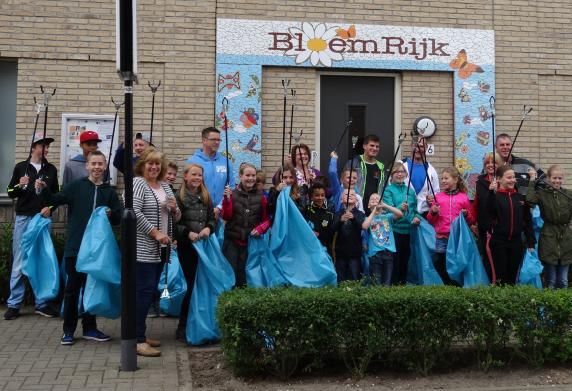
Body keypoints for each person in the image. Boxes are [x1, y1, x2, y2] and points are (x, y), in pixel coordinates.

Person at [38, 151, 122, 345]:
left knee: (92, 288)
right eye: (93, 163)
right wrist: (43, 189)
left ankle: (90, 328)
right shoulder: (76, 186)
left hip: (97, 252)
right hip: (75, 247)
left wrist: (111, 214)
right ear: (87, 166)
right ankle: (68, 330)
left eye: (101, 164)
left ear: (105, 166)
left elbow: (118, 217)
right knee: (72, 290)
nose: (97, 167)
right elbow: (55, 199)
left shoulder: (109, 192)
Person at [4, 134, 59, 321]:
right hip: (23, 219)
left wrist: (48, 204)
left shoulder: (51, 169)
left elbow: (56, 196)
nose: (46, 150)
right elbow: (10, 192)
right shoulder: (21, 167)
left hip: (42, 220)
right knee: (19, 260)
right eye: (43, 146)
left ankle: (42, 303)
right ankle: (14, 304)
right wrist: (20, 185)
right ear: (34, 147)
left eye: (48, 147)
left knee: (42, 260)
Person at [133, 148, 181, 357]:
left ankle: (141, 333)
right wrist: (155, 233)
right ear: (142, 165)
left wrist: (174, 209)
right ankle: (137, 339)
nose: (154, 167)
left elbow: (176, 216)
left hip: (162, 248)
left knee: (150, 290)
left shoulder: (165, 186)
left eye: (157, 164)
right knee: (143, 292)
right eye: (150, 163)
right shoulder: (138, 184)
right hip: (144, 247)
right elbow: (133, 212)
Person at [175, 163, 217, 341]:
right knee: (190, 286)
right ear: (185, 176)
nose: (197, 178)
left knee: (203, 286)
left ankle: (203, 323)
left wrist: (209, 228)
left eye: (200, 175)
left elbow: (212, 219)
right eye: (194, 175)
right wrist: (187, 233)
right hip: (187, 248)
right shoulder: (179, 197)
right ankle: (183, 326)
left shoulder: (206, 196)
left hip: (204, 247)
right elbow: (174, 224)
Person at [222, 163, 271, 288]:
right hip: (232, 242)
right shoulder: (232, 194)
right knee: (231, 275)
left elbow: (267, 220)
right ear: (240, 176)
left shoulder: (262, 196)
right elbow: (226, 216)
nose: (251, 178)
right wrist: (227, 200)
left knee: (246, 277)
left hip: (251, 244)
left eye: (253, 175)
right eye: (247, 175)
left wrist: (261, 229)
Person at [487, 165, 535, 285]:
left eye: (513, 177)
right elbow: (488, 214)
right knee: (500, 278)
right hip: (499, 243)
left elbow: (527, 220)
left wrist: (530, 241)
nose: (513, 180)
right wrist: (490, 193)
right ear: (499, 179)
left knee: (512, 278)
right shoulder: (495, 197)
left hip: (516, 243)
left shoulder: (520, 198)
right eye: (509, 177)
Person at [526, 165, 572, 289]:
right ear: (548, 178)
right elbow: (529, 200)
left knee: (563, 280)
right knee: (551, 280)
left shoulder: (568, 194)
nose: (557, 181)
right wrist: (532, 181)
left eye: (559, 178)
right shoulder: (542, 194)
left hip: (566, 239)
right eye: (554, 178)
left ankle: (563, 307)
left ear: (563, 179)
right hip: (549, 237)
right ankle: (550, 306)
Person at [427, 167, 475, 285]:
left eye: (446, 178)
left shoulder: (463, 198)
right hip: (442, 237)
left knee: (456, 263)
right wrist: (433, 211)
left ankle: (456, 285)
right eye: (442, 178)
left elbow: (472, 219)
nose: (443, 181)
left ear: (455, 180)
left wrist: (466, 214)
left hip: (457, 238)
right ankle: (446, 284)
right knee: (440, 261)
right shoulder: (438, 197)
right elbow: (430, 220)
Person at [382, 162, 421, 284]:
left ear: (406, 174)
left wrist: (416, 217)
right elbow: (388, 210)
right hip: (394, 231)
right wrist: (400, 207)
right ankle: (393, 287)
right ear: (391, 175)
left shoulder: (410, 191)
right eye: (396, 172)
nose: (400, 174)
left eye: (402, 171)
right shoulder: (388, 190)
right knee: (395, 261)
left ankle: (402, 286)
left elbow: (415, 210)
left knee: (405, 260)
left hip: (408, 231)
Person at [187, 127, 235, 220]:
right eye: (213, 139)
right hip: (199, 213)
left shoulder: (226, 161)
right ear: (204, 140)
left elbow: (231, 186)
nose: (217, 142)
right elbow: (189, 188)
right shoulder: (193, 161)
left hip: (221, 214)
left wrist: (219, 208)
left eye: (219, 140)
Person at [473, 152, 504, 279]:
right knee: (486, 255)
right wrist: (474, 222)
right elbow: (477, 203)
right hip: (484, 226)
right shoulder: (480, 182)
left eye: (494, 163)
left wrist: (498, 190)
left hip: (500, 225)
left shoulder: (503, 180)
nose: (490, 165)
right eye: (487, 163)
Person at [362, 193, 403, 286]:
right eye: (372, 200)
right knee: (377, 283)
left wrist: (385, 205)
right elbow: (364, 226)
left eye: (378, 199)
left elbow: (400, 214)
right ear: (368, 205)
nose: (375, 200)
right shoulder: (367, 218)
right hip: (375, 254)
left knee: (387, 283)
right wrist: (374, 211)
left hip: (388, 253)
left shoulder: (387, 217)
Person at [398, 136, 440, 216]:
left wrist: (432, 200)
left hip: (424, 215)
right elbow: (390, 187)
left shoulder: (431, 171)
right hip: (402, 214)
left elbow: (436, 194)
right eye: (415, 145)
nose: (418, 149)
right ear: (411, 146)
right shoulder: (400, 165)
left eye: (421, 146)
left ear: (426, 147)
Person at [343, 134, 385, 213]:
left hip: (374, 209)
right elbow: (344, 184)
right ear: (364, 146)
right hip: (356, 208)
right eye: (372, 145)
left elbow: (382, 188)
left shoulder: (381, 167)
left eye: (377, 146)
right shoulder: (354, 162)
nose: (374, 148)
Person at [334, 188, 366, 282]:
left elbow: (362, 226)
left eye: (353, 194)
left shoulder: (360, 214)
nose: (350, 195)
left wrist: (353, 218)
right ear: (341, 200)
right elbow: (332, 228)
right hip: (340, 253)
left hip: (355, 253)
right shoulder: (338, 213)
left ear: (356, 200)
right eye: (346, 194)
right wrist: (340, 221)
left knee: (354, 278)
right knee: (341, 279)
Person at [303, 182, 339, 258]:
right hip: (308, 250)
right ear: (311, 197)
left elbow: (331, 233)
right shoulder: (305, 210)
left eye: (322, 195)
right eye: (316, 195)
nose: (320, 198)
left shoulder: (330, 213)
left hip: (325, 252)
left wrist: (319, 234)